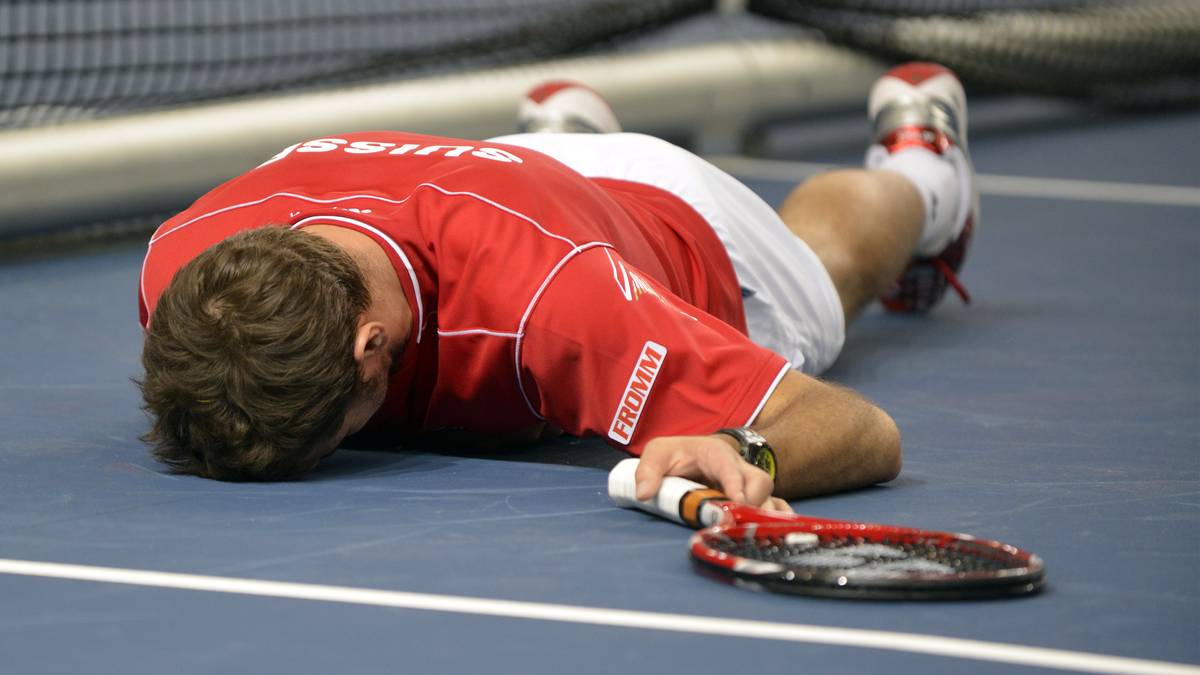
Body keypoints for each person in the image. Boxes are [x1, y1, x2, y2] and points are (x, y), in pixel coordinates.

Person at [137, 63, 976, 511]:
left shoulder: (562, 311)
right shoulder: (176, 265)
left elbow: (862, 429)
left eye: (329, 441)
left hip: (667, 213)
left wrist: (752, 452)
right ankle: (559, 130)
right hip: (494, 175)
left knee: (827, 268)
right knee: (525, 199)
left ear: (371, 346)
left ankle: (924, 169)